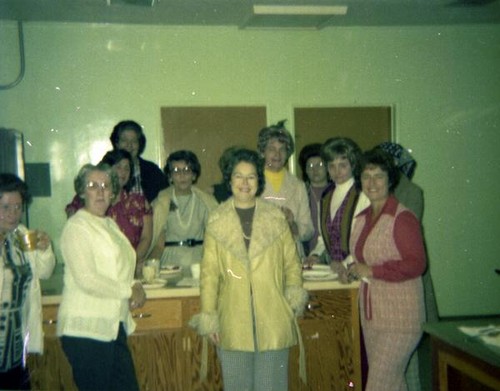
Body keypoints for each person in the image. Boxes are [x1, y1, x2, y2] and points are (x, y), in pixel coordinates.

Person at [190, 148, 308, 391]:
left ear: (259, 181)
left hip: (273, 317)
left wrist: (292, 298)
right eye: (238, 176)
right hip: (232, 320)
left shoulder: (275, 218)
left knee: (271, 387)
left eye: (251, 176)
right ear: (229, 180)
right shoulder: (216, 220)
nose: (244, 183)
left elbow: (292, 263)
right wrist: (209, 315)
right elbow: (209, 274)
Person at [57, 163, 146, 391]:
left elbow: (121, 268)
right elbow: (87, 279)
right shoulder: (77, 227)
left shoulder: (108, 224)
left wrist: (135, 284)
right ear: (81, 191)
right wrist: (129, 290)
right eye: (92, 185)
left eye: (106, 186)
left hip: (112, 327)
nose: (100, 191)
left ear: (113, 192)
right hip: (86, 331)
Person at [349, 148, 426, 391]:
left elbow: (417, 264)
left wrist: (373, 271)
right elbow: (363, 258)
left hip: (400, 318)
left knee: (378, 385)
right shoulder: (362, 217)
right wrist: (352, 269)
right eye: (366, 176)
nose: (372, 183)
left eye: (379, 176)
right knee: (392, 384)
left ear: (390, 179)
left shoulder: (402, 218)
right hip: (373, 316)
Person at [378, 141, 438, 391]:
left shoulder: (411, 191)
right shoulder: (382, 188)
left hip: (405, 281)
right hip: (389, 281)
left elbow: (396, 239)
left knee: (408, 357)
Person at [0, 173, 55, 390]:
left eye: (17, 207)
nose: (13, 214)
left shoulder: (20, 236)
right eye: (5, 207)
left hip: (15, 342)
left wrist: (44, 249)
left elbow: (44, 272)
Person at [65, 150, 153, 276]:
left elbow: (146, 238)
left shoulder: (138, 202)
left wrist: (131, 265)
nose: (122, 173)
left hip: (131, 270)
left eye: (127, 168)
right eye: (118, 167)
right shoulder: (85, 203)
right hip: (98, 273)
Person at [305, 137, 368, 276]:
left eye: (343, 165)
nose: (337, 171)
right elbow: (324, 237)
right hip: (334, 270)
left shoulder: (362, 195)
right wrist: (315, 254)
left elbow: (365, 239)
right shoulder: (326, 196)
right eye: (332, 166)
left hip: (357, 269)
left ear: (353, 165)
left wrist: (346, 263)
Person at [149, 150, 218, 276]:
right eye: (176, 171)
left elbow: (214, 239)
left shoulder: (206, 202)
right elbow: (158, 243)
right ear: (170, 176)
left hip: (199, 263)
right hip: (169, 263)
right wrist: (151, 268)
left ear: (194, 175)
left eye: (187, 170)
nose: (182, 175)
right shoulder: (161, 202)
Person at [257, 120, 314, 258]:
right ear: (262, 152)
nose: (277, 154)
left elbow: (308, 231)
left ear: (288, 153)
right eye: (272, 149)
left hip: (292, 255)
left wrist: (293, 224)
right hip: (261, 255)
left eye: (282, 149)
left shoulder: (298, 185)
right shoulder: (251, 182)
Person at [110, 120, 167, 203]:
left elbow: (166, 198)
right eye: (124, 140)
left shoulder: (152, 171)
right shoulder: (105, 168)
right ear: (117, 143)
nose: (129, 145)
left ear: (140, 144)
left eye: (134, 141)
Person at [298, 143, 330, 256]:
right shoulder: (300, 191)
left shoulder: (335, 191)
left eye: (319, 164)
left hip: (331, 254)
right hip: (306, 252)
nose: (315, 170)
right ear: (305, 170)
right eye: (310, 166)